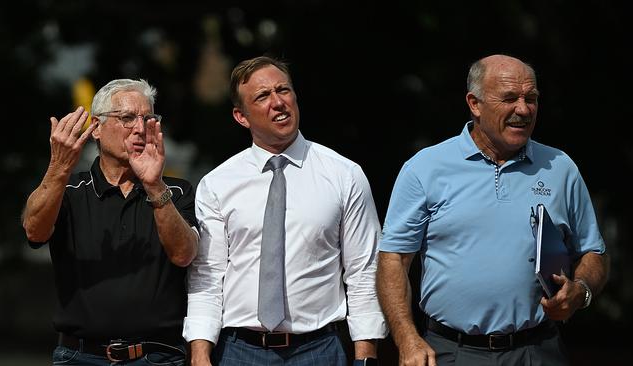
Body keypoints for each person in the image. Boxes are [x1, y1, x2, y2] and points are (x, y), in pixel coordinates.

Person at [376, 54, 609, 366]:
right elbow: (393, 260)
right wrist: (406, 339)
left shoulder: (560, 167)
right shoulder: (425, 168)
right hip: (453, 352)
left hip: (538, 350)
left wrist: (580, 291)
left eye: (531, 98)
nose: (523, 110)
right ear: (475, 104)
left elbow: (593, 252)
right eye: (510, 98)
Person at [183, 56, 387, 366]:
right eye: (263, 96)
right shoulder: (218, 183)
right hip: (238, 351)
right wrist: (200, 353)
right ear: (241, 116)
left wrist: (366, 356)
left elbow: (364, 269)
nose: (278, 102)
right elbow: (207, 276)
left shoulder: (344, 174)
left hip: (319, 348)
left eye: (284, 90)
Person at [22, 79, 200, 365]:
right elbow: (34, 230)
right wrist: (59, 167)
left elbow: (184, 254)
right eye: (127, 118)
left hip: (157, 356)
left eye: (148, 119)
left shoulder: (175, 191)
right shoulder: (69, 191)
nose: (140, 129)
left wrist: (154, 186)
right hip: (80, 356)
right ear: (96, 128)